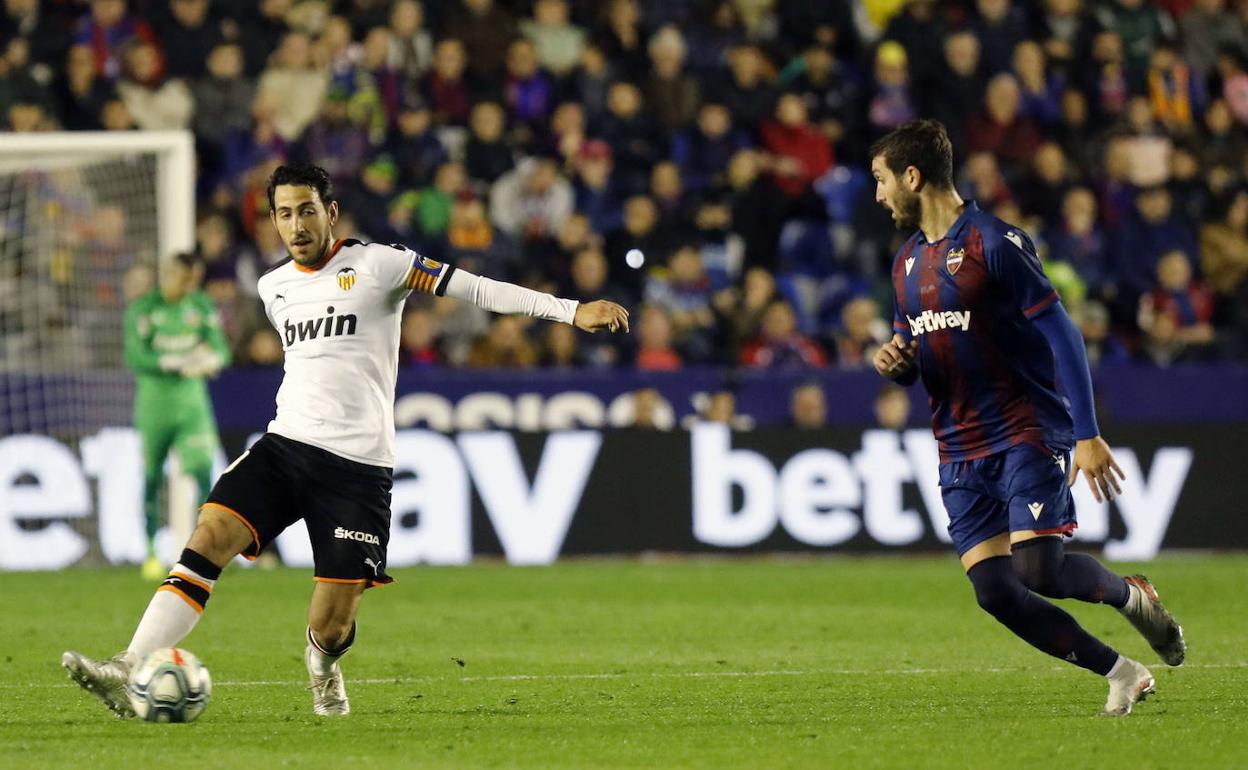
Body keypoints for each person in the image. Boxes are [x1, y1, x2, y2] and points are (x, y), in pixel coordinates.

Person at [63, 163, 629, 718]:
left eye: (306, 210)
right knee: (209, 534)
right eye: (283, 214)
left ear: (329, 212)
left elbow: (472, 287)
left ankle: (324, 668)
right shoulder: (273, 287)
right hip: (285, 447)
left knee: (331, 624)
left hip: (357, 468)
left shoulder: (382, 264)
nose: (296, 225)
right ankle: (128, 665)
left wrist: (570, 310)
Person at [868, 120, 1184, 717]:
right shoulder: (906, 265)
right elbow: (916, 354)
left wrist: (1087, 433)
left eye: (882, 180)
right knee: (995, 592)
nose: (879, 195)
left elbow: (1062, 333)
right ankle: (1122, 672)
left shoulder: (995, 242)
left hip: (1027, 430)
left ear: (913, 176)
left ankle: (1128, 593)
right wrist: (896, 365)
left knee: (1037, 568)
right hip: (959, 447)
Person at [123, 252, 229, 581]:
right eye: (184, 279)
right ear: (169, 274)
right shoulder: (143, 310)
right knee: (153, 476)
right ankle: (152, 551)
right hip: (155, 408)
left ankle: (205, 552)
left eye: (193, 280)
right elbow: (136, 356)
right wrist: (169, 363)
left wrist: (212, 360)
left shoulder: (199, 306)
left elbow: (221, 348)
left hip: (192, 406)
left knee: (201, 472)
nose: (189, 286)